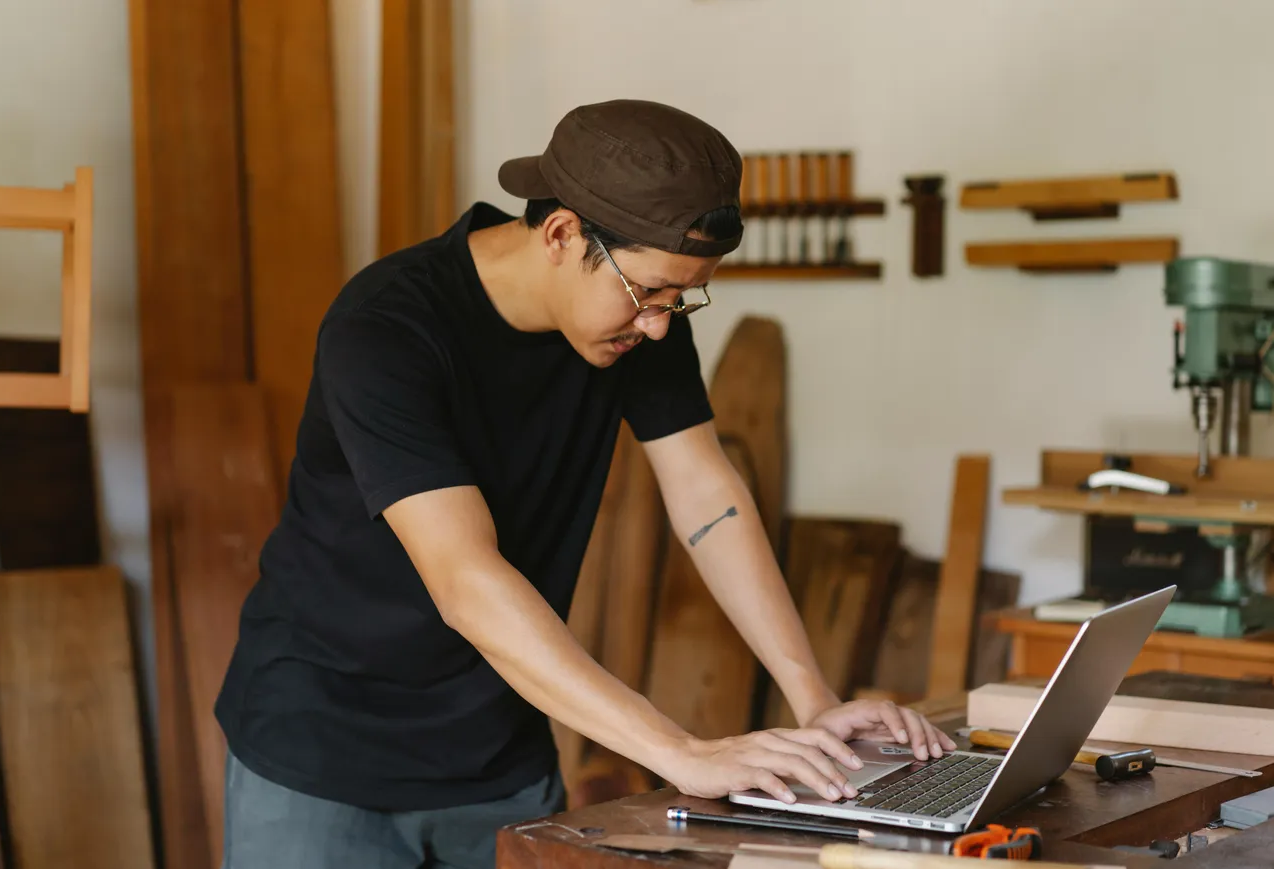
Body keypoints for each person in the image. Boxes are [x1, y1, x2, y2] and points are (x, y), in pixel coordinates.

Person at [213, 98, 954, 869]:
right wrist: (681, 750)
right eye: (648, 293)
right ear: (563, 234)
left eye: (683, 296)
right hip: (323, 748)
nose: (662, 324)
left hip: (498, 751)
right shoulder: (388, 328)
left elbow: (709, 497)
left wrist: (815, 698)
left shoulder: (642, 318)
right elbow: (465, 578)